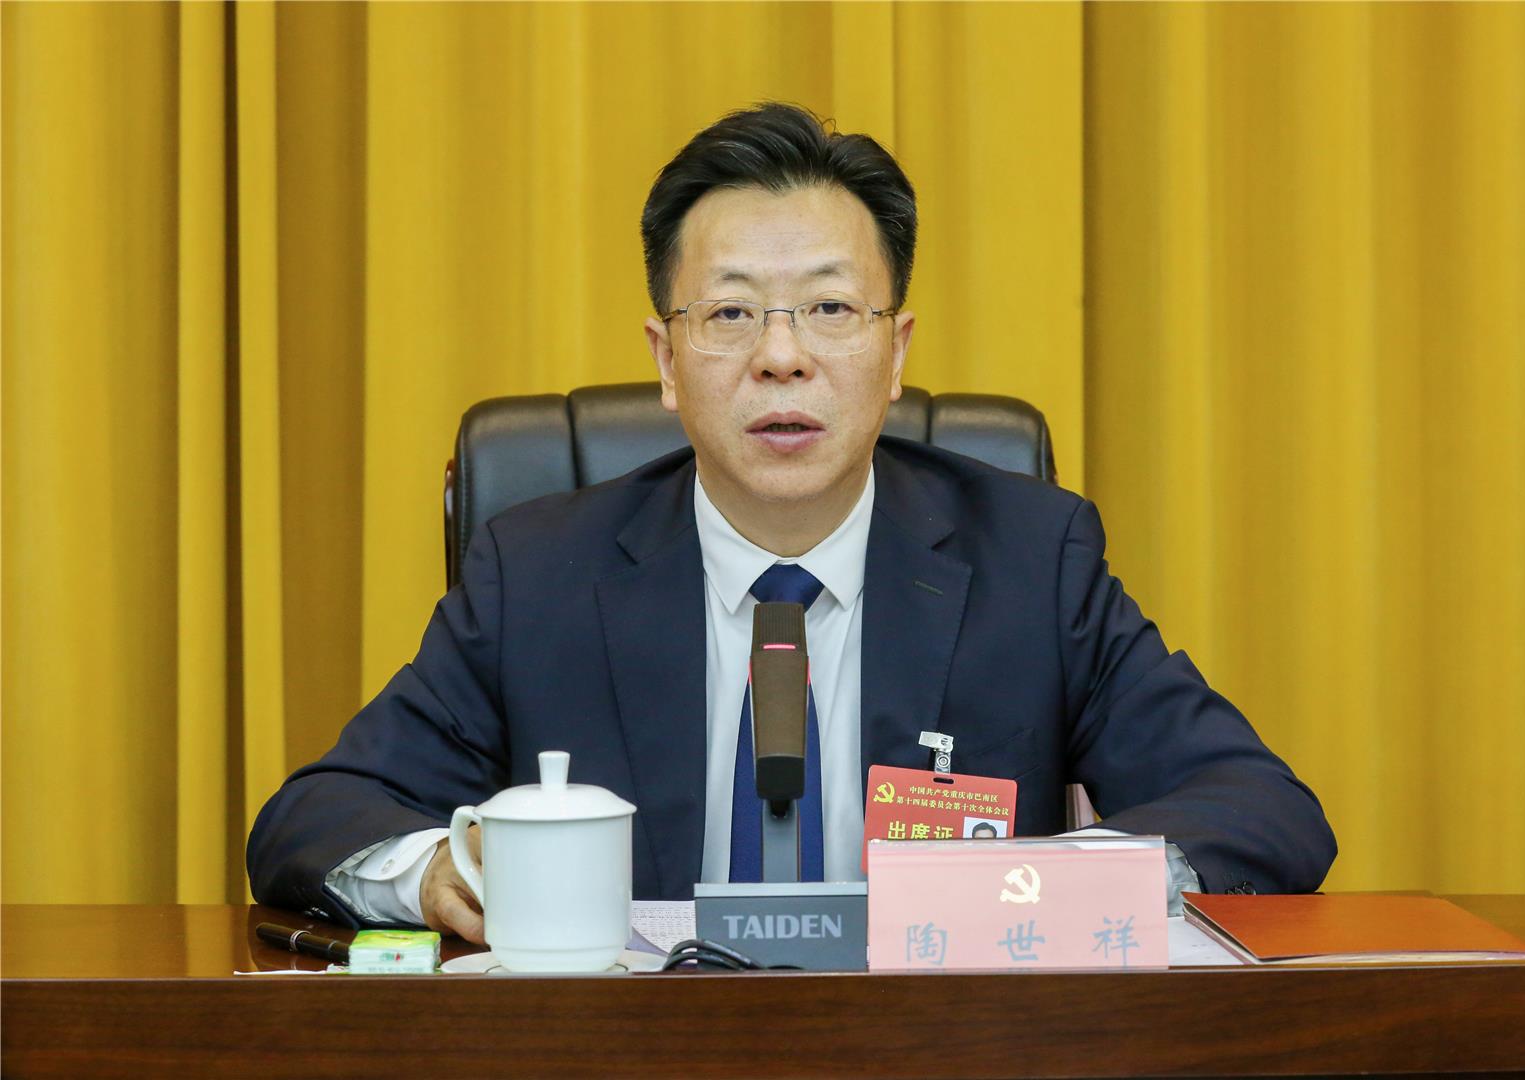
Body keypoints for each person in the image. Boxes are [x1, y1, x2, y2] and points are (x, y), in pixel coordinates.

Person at [247, 103, 1335, 943]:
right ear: (667, 360)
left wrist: (1048, 884)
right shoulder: (538, 575)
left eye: (829, 308)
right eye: (730, 312)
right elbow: (317, 814)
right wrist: (437, 872)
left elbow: (1262, 808)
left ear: (896, 351)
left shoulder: (1029, 563)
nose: (781, 356)